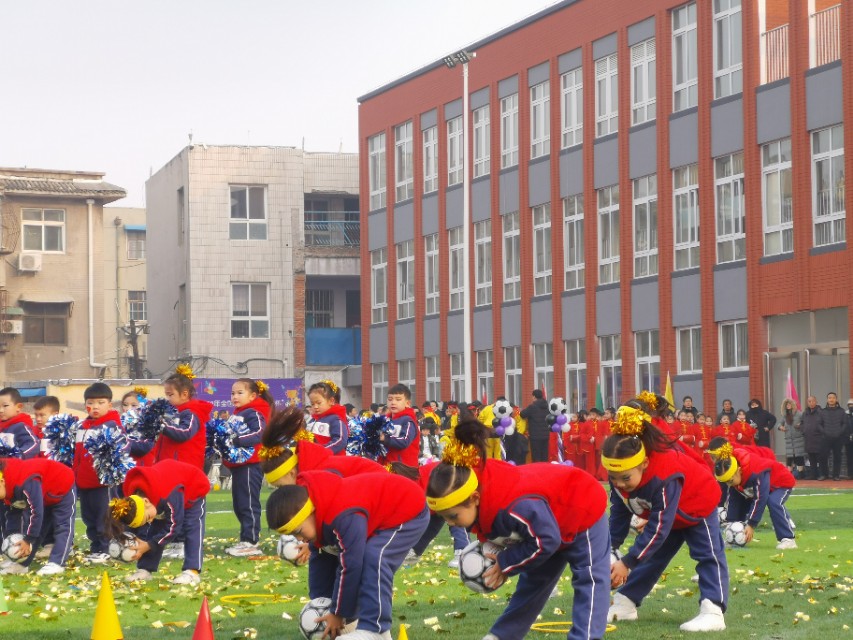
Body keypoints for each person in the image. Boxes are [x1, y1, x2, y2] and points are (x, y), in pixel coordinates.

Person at [426, 419, 610, 640]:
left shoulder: (514, 505)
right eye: (444, 517)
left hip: (582, 507)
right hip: (548, 524)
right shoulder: (480, 483)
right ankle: (501, 636)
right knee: (532, 584)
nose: (450, 523)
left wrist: (505, 564)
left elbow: (545, 540)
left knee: (589, 579)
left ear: (474, 498)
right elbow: (537, 536)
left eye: (453, 516)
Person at [605, 395, 728, 632]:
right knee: (653, 555)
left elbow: (659, 527)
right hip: (669, 509)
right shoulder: (619, 461)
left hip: (697, 502)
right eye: (613, 478)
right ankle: (626, 602)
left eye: (625, 479)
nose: (619, 483)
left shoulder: (664, 471)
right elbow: (619, 509)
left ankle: (713, 610)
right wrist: (611, 547)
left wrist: (627, 562)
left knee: (708, 554)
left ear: (643, 464)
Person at [266, 470, 429, 640]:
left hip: (409, 509)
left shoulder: (342, 517)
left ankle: (374, 629)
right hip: (383, 515)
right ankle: (379, 633)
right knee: (331, 553)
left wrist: (338, 613)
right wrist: (323, 603)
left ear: (311, 510)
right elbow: (321, 562)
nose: (300, 539)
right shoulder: (321, 516)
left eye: (298, 531)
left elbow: (351, 566)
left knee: (374, 557)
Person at [107, 459, 210, 584]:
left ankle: (192, 571)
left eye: (148, 517)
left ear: (146, 502)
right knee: (154, 529)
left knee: (192, 528)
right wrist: (129, 541)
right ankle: (145, 569)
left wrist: (149, 545)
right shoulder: (133, 498)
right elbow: (134, 524)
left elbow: (174, 527)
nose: (150, 520)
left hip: (193, 487)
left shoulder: (169, 495)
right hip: (162, 491)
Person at [259, 406, 386, 487]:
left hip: (379, 484)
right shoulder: (309, 468)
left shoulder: (322, 473)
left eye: (280, 487)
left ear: (292, 472)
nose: (315, 407)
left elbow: (341, 440)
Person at [223, 379, 275, 558]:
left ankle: (251, 541)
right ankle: (246, 539)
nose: (234, 396)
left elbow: (260, 433)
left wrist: (236, 441)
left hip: (250, 463)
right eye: (232, 393)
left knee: (248, 502)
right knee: (239, 503)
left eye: (239, 393)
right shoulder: (240, 412)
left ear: (253, 396)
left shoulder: (253, 412)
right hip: (239, 464)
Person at [73, 382, 123, 564]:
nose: (94, 407)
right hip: (84, 482)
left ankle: (108, 548)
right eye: (90, 402)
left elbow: (121, 450)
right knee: (89, 517)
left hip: (103, 483)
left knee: (105, 516)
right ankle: (96, 547)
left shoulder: (112, 425)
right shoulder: (82, 426)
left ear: (109, 405)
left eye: (100, 402)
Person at [713, 442, 797, 550]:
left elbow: (760, 498)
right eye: (726, 482)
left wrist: (751, 524)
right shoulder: (735, 477)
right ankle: (733, 539)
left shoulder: (756, 472)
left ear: (738, 471)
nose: (729, 484)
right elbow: (733, 501)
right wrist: (731, 523)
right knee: (739, 497)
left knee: (773, 502)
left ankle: (788, 539)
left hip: (780, 483)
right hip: (761, 487)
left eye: (730, 481)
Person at [0, 457, 76, 576]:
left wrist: (28, 539)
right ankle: (23, 565)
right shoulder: (8, 486)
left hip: (62, 484)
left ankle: (57, 563)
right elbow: (13, 516)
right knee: (37, 529)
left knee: (63, 525)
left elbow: (36, 512)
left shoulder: (26, 482)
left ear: (2, 482)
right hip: (45, 493)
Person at [154, 365, 212, 469]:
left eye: (170, 395)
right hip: (168, 465)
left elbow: (185, 432)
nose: (167, 398)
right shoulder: (172, 413)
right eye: (166, 395)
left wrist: (163, 425)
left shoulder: (192, 413)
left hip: (184, 467)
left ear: (184, 394)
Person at [378, 384, 419, 467]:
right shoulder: (385, 420)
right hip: (386, 465)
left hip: (404, 468)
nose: (393, 402)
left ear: (407, 403)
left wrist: (384, 438)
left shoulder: (408, 421)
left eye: (398, 399)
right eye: (390, 399)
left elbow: (405, 441)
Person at [306, 380, 348, 455]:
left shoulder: (335, 419)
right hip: (315, 459)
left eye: (319, 403)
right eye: (312, 404)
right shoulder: (312, 420)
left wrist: (321, 451)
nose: (315, 407)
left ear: (331, 401)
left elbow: (341, 440)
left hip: (332, 461)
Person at [0, 387, 39, 459]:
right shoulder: (1, 427)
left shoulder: (21, 426)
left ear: (18, 407)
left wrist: (19, 455)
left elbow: (34, 444)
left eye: (5, 406)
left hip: (19, 467)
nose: (1, 410)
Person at [820, 392, 847, 481]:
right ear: (827, 400)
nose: (831, 399)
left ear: (836, 399)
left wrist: (839, 432)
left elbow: (844, 424)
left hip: (838, 438)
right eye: (829, 398)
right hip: (825, 438)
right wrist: (824, 432)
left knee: (837, 457)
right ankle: (824, 475)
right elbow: (819, 424)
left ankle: (836, 476)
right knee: (823, 457)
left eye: (833, 398)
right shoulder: (822, 411)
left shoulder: (841, 411)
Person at [777, 398, 805, 478]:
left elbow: (805, 423)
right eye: (786, 405)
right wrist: (780, 427)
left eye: (789, 404)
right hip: (789, 440)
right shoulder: (784, 416)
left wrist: (800, 425)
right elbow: (779, 424)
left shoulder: (799, 414)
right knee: (789, 457)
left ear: (793, 405)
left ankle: (800, 473)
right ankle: (789, 474)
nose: (788, 406)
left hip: (798, 439)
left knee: (799, 457)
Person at [520, 389, 550, 463]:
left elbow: (522, 414)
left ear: (534, 396)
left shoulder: (532, 407)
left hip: (535, 436)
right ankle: (545, 472)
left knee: (536, 456)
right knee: (544, 455)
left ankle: (537, 472)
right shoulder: (546, 407)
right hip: (546, 435)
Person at [800, 396, 825, 480]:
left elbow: (825, 424)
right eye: (809, 401)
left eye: (812, 401)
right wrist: (803, 430)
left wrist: (821, 432)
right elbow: (802, 423)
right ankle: (813, 475)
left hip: (818, 439)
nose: (811, 403)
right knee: (811, 459)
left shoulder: (821, 412)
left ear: (816, 401)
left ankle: (822, 474)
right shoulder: (805, 413)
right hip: (808, 439)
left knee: (820, 459)